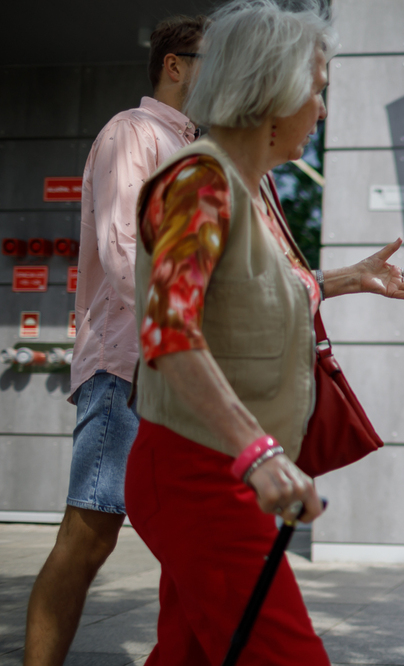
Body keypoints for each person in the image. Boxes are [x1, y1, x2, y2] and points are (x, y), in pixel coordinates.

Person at [122, 1, 404, 664]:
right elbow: (170, 333)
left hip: (219, 469)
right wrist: (259, 454)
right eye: (318, 90)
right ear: (276, 90)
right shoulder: (201, 184)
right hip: (201, 472)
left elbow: (249, 293)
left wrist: (350, 278)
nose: (321, 108)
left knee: (191, 654)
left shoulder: (247, 188)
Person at [24, 15, 206, 666]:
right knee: (88, 534)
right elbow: (125, 249)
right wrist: (186, 339)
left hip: (175, 368)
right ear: (174, 65)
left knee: (190, 538)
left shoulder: (192, 146)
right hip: (129, 365)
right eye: (208, 58)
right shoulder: (134, 133)